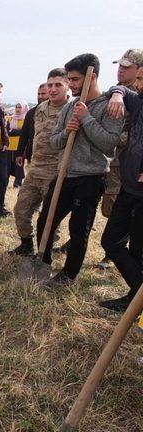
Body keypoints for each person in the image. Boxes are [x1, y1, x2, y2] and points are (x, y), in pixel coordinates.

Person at [35, 53, 124, 287]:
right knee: (45, 220)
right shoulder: (70, 107)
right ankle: (42, 263)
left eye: (75, 80)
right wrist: (67, 131)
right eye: (70, 80)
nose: (71, 85)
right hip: (65, 174)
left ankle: (68, 275)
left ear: (91, 76)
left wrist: (86, 119)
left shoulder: (110, 106)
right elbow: (54, 142)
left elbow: (108, 144)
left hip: (91, 177)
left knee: (78, 229)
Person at [97, 59, 143, 311]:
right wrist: (117, 93)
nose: (136, 85)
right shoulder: (138, 100)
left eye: (140, 80)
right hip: (128, 186)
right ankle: (138, 293)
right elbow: (122, 91)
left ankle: (136, 300)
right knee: (111, 241)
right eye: (136, 79)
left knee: (139, 249)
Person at [10, 68, 70, 256]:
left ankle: (46, 250)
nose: (52, 89)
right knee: (21, 209)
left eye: (58, 85)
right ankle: (26, 244)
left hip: (56, 173)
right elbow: (29, 135)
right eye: (50, 85)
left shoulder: (72, 109)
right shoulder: (40, 110)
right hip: (35, 171)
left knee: (51, 217)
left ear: (67, 86)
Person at [15, 83, 49, 173]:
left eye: (43, 94)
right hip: (32, 155)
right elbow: (24, 135)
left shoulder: (58, 112)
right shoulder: (31, 113)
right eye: (38, 94)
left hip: (50, 157)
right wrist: (19, 153)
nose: (40, 96)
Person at [7, 101, 29, 187]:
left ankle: (17, 183)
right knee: (9, 165)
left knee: (19, 165)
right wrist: (18, 131)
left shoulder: (26, 119)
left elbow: (24, 132)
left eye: (20, 107)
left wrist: (14, 131)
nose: (18, 109)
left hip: (20, 146)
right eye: (17, 107)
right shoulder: (10, 118)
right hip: (9, 145)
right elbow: (7, 131)